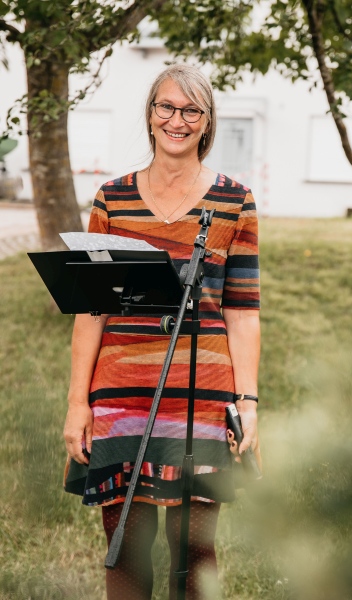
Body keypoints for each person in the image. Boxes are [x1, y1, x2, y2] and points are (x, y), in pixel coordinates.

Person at [63, 63, 261, 600]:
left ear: (207, 122)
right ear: (150, 115)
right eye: (166, 106)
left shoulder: (234, 201)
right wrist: (78, 403)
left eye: (191, 109)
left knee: (195, 554)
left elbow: (242, 311)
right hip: (121, 396)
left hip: (202, 396)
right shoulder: (111, 198)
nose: (177, 119)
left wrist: (248, 403)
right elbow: (91, 310)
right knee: (125, 549)